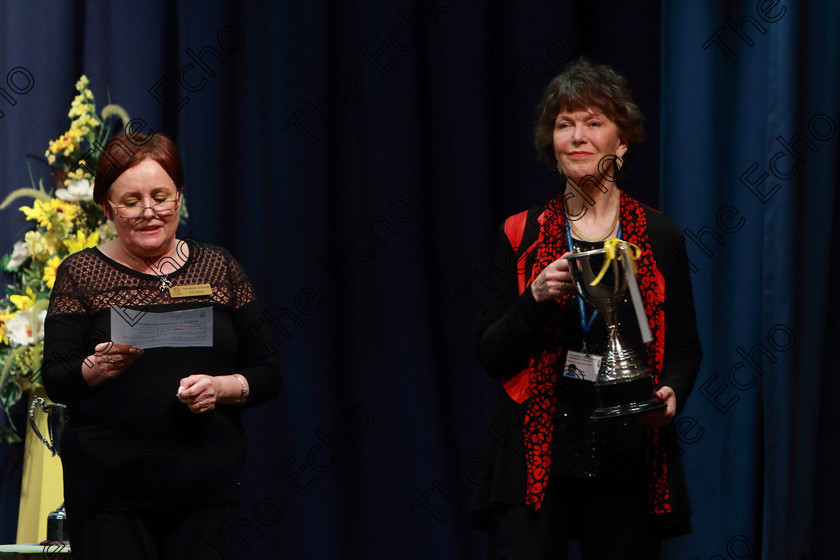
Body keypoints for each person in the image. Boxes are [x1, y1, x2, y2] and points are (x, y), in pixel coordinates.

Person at [471, 58, 702, 559]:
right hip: (535, 450)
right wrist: (533, 299)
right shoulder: (521, 233)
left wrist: (671, 396)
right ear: (551, 145)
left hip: (627, 443)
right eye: (564, 124)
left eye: (594, 122)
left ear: (621, 142)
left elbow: (684, 349)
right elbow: (491, 355)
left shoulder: (661, 235)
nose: (577, 136)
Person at [42, 132, 281, 559]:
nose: (149, 212)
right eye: (131, 201)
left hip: (206, 488)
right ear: (107, 208)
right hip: (108, 495)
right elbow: (57, 379)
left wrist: (221, 387)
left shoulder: (219, 267)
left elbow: (267, 371)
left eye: (161, 196)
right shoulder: (80, 274)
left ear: (180, 196)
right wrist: (97, 369)